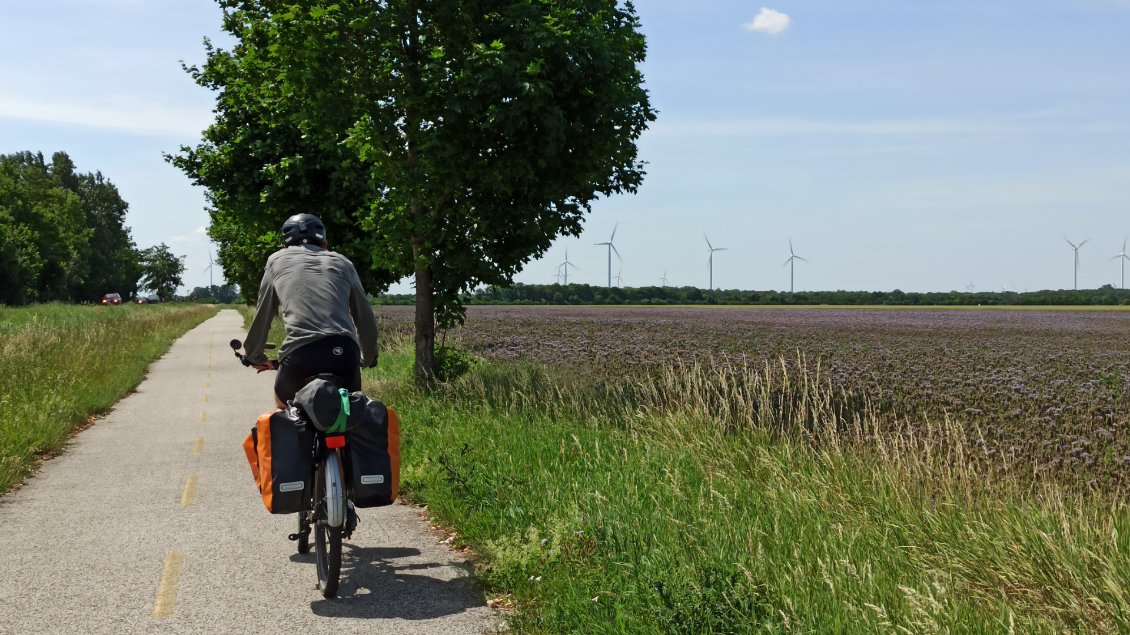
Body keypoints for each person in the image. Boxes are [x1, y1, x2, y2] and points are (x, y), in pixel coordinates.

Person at [242, 213, 379, 407]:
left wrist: (254, 354)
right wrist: (369, 357)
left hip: (300, 354)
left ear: (285, 247)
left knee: (284, 411)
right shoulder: (343, 262)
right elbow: (364, 314)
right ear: (325, 244)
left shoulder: (276, 260)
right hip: (345, 353)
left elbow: (264, 311)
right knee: (351, 414)